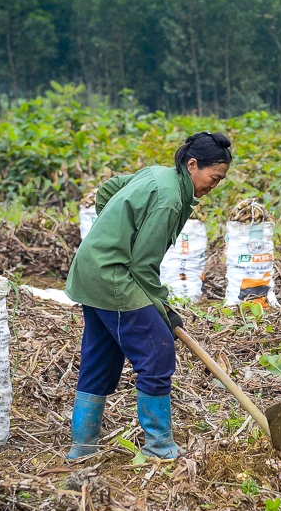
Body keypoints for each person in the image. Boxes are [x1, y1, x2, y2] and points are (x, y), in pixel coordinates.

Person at [64, 132, 232, 459]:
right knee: (157, 351)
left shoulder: (158, 174)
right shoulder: (170, 199)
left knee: (101, 357)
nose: (214, 186)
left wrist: (110, 231)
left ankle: (82, 448)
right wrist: (163, 309)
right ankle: (160, 447)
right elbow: (142, 265)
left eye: (220, 181)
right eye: (213, 178)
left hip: (91, 271)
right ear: (192, 164)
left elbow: (110, 189)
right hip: (114, 277)